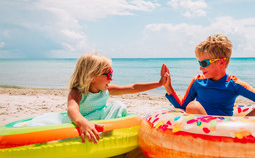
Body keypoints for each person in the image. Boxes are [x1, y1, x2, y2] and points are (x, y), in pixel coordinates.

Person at [30, 53, 167, 144]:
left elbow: (133, 88)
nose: (111, 78)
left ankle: (104, 141)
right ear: (92, 76)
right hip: (79, 123)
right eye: (108, 74)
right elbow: (72, 110)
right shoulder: (77, 92)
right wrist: (82, 122)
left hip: (99, 121)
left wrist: (159, 83)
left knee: (118, 105)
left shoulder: (106, 90)